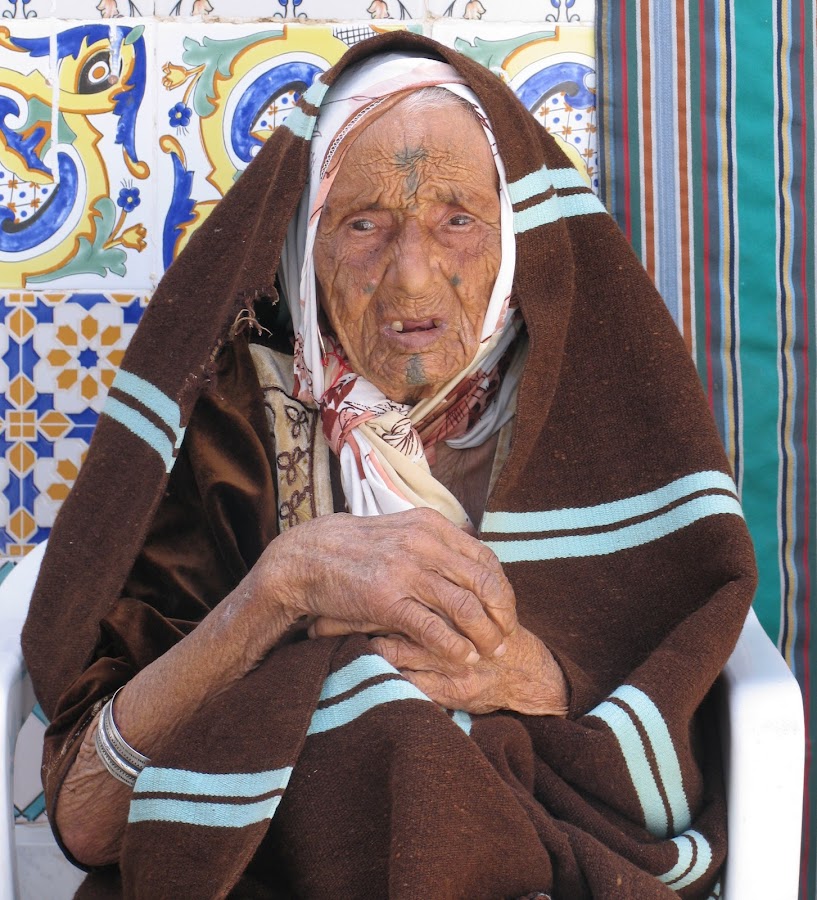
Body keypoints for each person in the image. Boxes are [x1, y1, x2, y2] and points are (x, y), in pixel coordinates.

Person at [23, 32, 756, 900]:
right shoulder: (227, 422)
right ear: (304, 238)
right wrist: (280, 590)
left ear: (514, 234)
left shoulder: (595, 410)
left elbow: (683, 767)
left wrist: (534, 677)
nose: (412, 279)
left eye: (456, 220)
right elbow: (87, 815)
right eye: (363, 223)